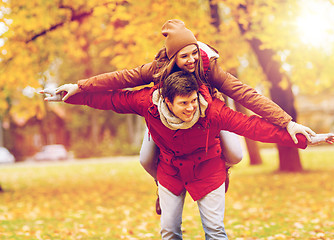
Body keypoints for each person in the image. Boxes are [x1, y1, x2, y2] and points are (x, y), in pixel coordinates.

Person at [53, 19, 316, 214]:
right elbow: (121, 79)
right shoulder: (156, 69)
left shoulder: (208, 67)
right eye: (184, 56)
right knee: (146, 159)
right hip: (165, 119)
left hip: (210, 116)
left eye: (193, 52)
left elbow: (246, 94)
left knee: (236, 154)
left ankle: (220, 172)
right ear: (172, 57)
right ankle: (163, 186)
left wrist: (287, 122)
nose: (190, 60)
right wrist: (81, 86)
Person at [42, 71, 334, 240]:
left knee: (215, 229)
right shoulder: (146, 101)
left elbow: (255, 126)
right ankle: (160, 191)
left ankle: (226, 173)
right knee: (169, 230)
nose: (191, 107)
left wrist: (303, 138)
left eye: (193, 100)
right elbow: (110, 99)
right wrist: (73, 94)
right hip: (169, 169)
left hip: (209, 167)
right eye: (183, 103)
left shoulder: (212, 110)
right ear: (166, 102)